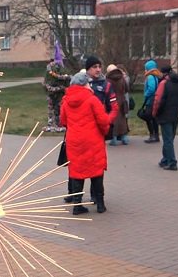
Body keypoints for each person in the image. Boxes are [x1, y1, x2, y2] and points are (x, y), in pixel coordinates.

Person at [60, 71, 112, 214]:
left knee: (77, 172)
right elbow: (103, 120)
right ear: (84, 85)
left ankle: (77, 205)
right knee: (96, 171)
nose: (90, 85)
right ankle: (100, 204)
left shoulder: (66, 101)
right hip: (92, 140)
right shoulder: (92, 100)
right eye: (88, 83)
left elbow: (63, 120)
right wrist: (105, 130)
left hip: (74, 141)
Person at [154, 72, 178, 170]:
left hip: (165, 116)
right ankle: (165, 159)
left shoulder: (165, 85)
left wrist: (157, 112)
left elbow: (160, 100)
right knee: (170, 138)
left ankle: (172, 162)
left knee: (167, 140)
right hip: (176, 115)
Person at [105, 64, 130, 145]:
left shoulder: (108, 80)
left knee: (113, 119)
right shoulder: (122, 77)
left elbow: (106, 90)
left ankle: (114, 138)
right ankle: (124, 138)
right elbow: (126, 89)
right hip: (122, 100)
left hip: (112, 100)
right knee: (122, 120)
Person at [43, 60, 69, 132]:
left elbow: (66, 83)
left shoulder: (63, 72)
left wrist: (62, 88)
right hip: (51, 95)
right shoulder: (49, 74)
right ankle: (51, 123)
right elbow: (46, 85)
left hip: (59, 96)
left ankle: (58, 123)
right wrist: (59, 88)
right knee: (51, 109)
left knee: (58, 109)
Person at [141, 60, 162, 143]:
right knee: (154, 118)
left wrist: (146, 94)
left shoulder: (150, 77)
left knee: (148, 118)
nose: (145, 70)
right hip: (155, 99)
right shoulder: (156, 76)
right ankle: (156, 135)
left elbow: (152, 88)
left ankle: (152, 135)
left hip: (150, 100)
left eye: (145, 68)